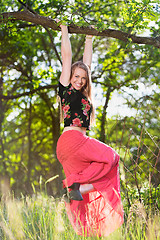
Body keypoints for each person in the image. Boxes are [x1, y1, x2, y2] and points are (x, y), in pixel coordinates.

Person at [56, 22, 124, 237]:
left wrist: (88, 38)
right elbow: (67, 57)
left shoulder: (85, 95)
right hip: (73, 142)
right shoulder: (66, 90)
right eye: (76, 76)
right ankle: (77, 186)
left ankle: (85, 232)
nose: (79, 80)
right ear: (69, 77)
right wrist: (64, 28)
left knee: (81, 201)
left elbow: (88, 65)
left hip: (69, 147)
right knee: (112, 157)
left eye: (83, 78)